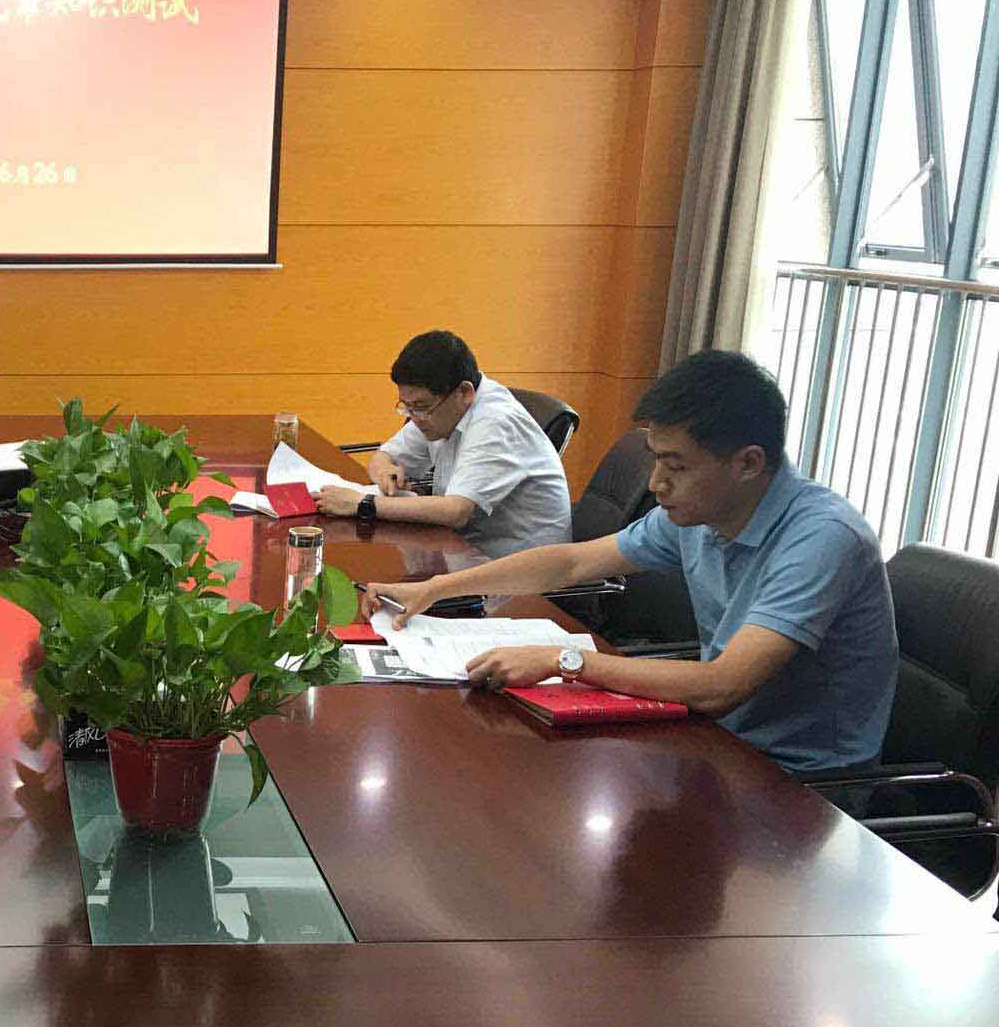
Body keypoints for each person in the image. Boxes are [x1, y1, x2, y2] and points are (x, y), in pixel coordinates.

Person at [362, 350, 898, 775]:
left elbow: (722, 686)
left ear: (748, 463)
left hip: (800, 783)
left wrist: (563, 661)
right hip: (713, 739)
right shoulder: (702, 514)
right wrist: (437, 588)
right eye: (656, 460)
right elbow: (570, 565)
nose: (656, 483)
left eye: (675, 466)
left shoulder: (821, 538)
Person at [321, 330, 571, 557]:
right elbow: (384, 457)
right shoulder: (440, 410)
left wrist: (363, 503)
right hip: (461, 549)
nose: (414, 418)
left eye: (421, 407)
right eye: (407, 407)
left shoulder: (496, 423)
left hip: (522, 571)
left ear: (464, 392)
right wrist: (387, 472)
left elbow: (456, 512)